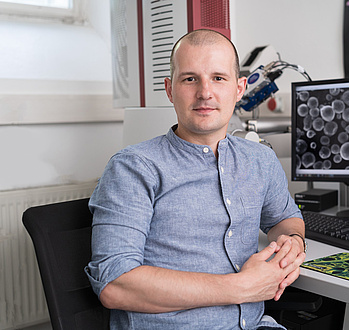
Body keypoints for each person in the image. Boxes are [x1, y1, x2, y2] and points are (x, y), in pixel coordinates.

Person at [85, 29, 306, 329]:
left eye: (218, 78)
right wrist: (240, 287)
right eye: (190, 79)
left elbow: (285, 218)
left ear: (239, 88)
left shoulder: (260, 160)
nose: (205, 92)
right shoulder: (133, 169)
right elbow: (115, 283)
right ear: (169, 89)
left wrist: (293, 242)